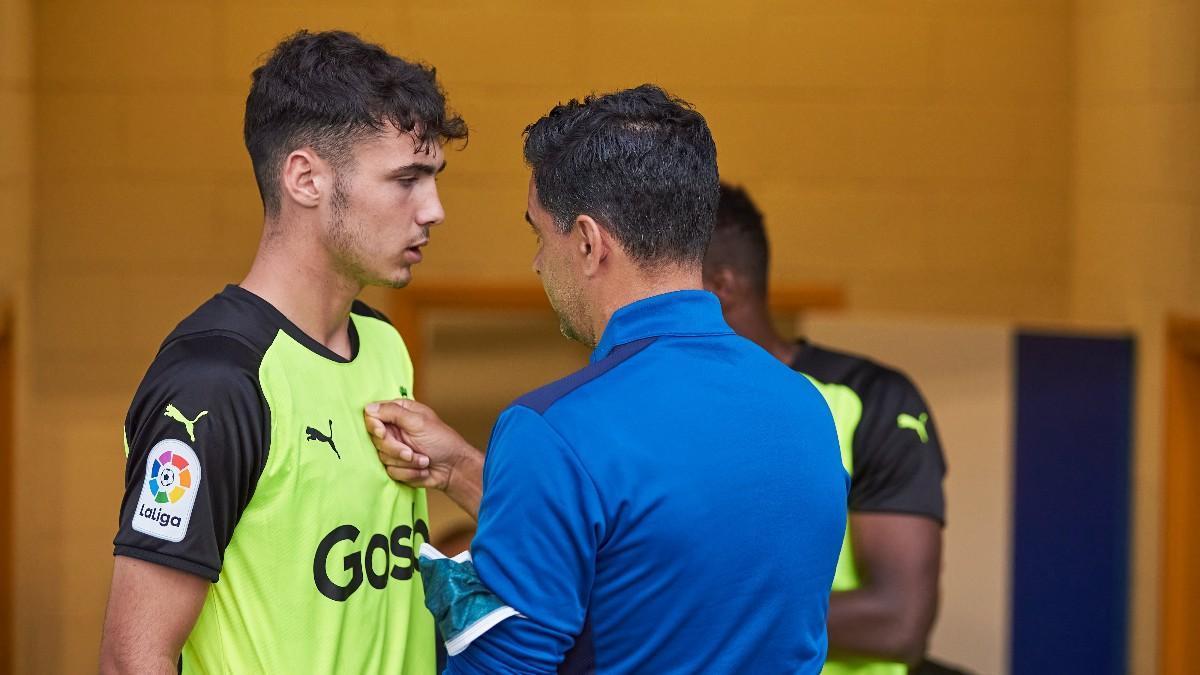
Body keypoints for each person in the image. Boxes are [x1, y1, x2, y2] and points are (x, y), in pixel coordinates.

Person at [365, 85, 849, 673]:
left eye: (541, 235)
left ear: (590, 242)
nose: (539, 263)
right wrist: (465, 469)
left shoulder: (554, 431)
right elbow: (648, 554)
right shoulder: (804, 407)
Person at [98, 30, 467, 673]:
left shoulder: (382, 344)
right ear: (305, 178)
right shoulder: (213, 381)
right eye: (407, 179)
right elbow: (135, 659)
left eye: (433, 178)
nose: (433, 209)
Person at [702, 183, 948, 675]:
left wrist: (703, 620)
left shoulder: (870, 400)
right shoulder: (645, 415)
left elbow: (899, 622)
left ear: (722, 286)